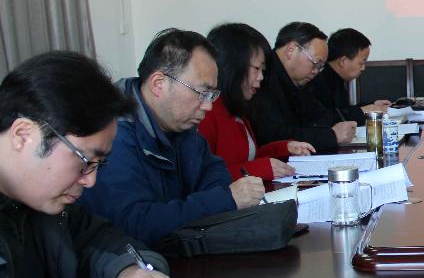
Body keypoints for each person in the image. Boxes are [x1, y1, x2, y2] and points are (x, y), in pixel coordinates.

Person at [0, 51, 176, 278]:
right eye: (85, 161)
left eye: (98, 165)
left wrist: (132, 274)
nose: (90, 180)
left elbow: (105, 240)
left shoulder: (47, 204)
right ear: (24, 135)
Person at [79, 29, 265, 245]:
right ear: (159, 83)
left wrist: (203, 204)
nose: (208, 106)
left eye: (212, 95)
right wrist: (224, 200)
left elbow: (214, 171)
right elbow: (134, 224)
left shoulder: (181, 124)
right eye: (202, 93)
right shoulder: (113, 134)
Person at [199, 23, 315, 181]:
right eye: (256, 69)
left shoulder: (237, 107)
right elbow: (204, 177)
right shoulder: (206, 112)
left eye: (263, 71)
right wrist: (259, 169)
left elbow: (248, 158)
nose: (261, 77)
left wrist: (284, 148)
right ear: (233, 65)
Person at [249, 22, 356, 151]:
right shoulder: (262, 79)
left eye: (320, 67)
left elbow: (321, 116)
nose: (316, 71)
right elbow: (274, 136)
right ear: (291, 50)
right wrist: (331, 136)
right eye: (315, 63)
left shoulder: (299, 80)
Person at [309, 28, 391, 126]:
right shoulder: (319, 82)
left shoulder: (336, 78)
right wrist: (361, 111)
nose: (363, 68)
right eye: (361, 63)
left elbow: (344, 109)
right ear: (343, 61)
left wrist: (373, 105)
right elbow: (329, 119)